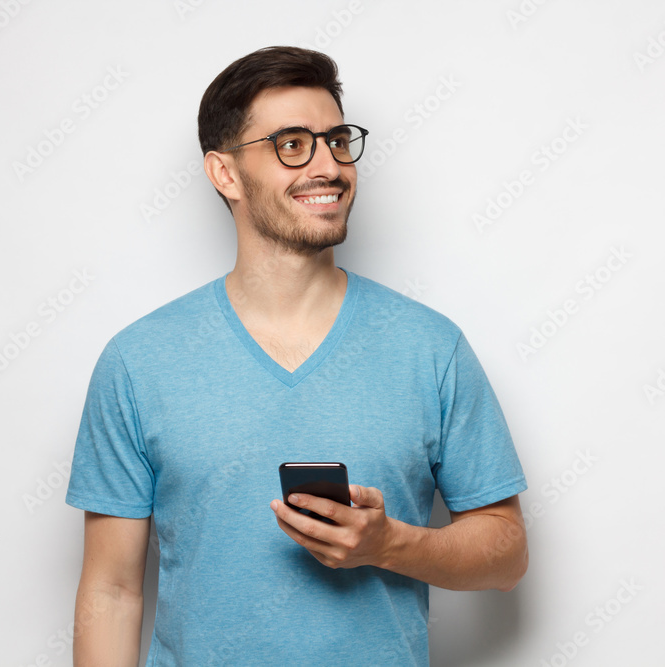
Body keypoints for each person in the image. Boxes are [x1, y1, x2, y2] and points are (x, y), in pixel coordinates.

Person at [65, 46, 528, 665]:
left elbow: (506, 555)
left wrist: (389, 545)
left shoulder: (431, 347)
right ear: (224, 173)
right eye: (291, 144)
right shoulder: (138, 362)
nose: (328, 165)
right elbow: (112, 589)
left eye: (337, 140)